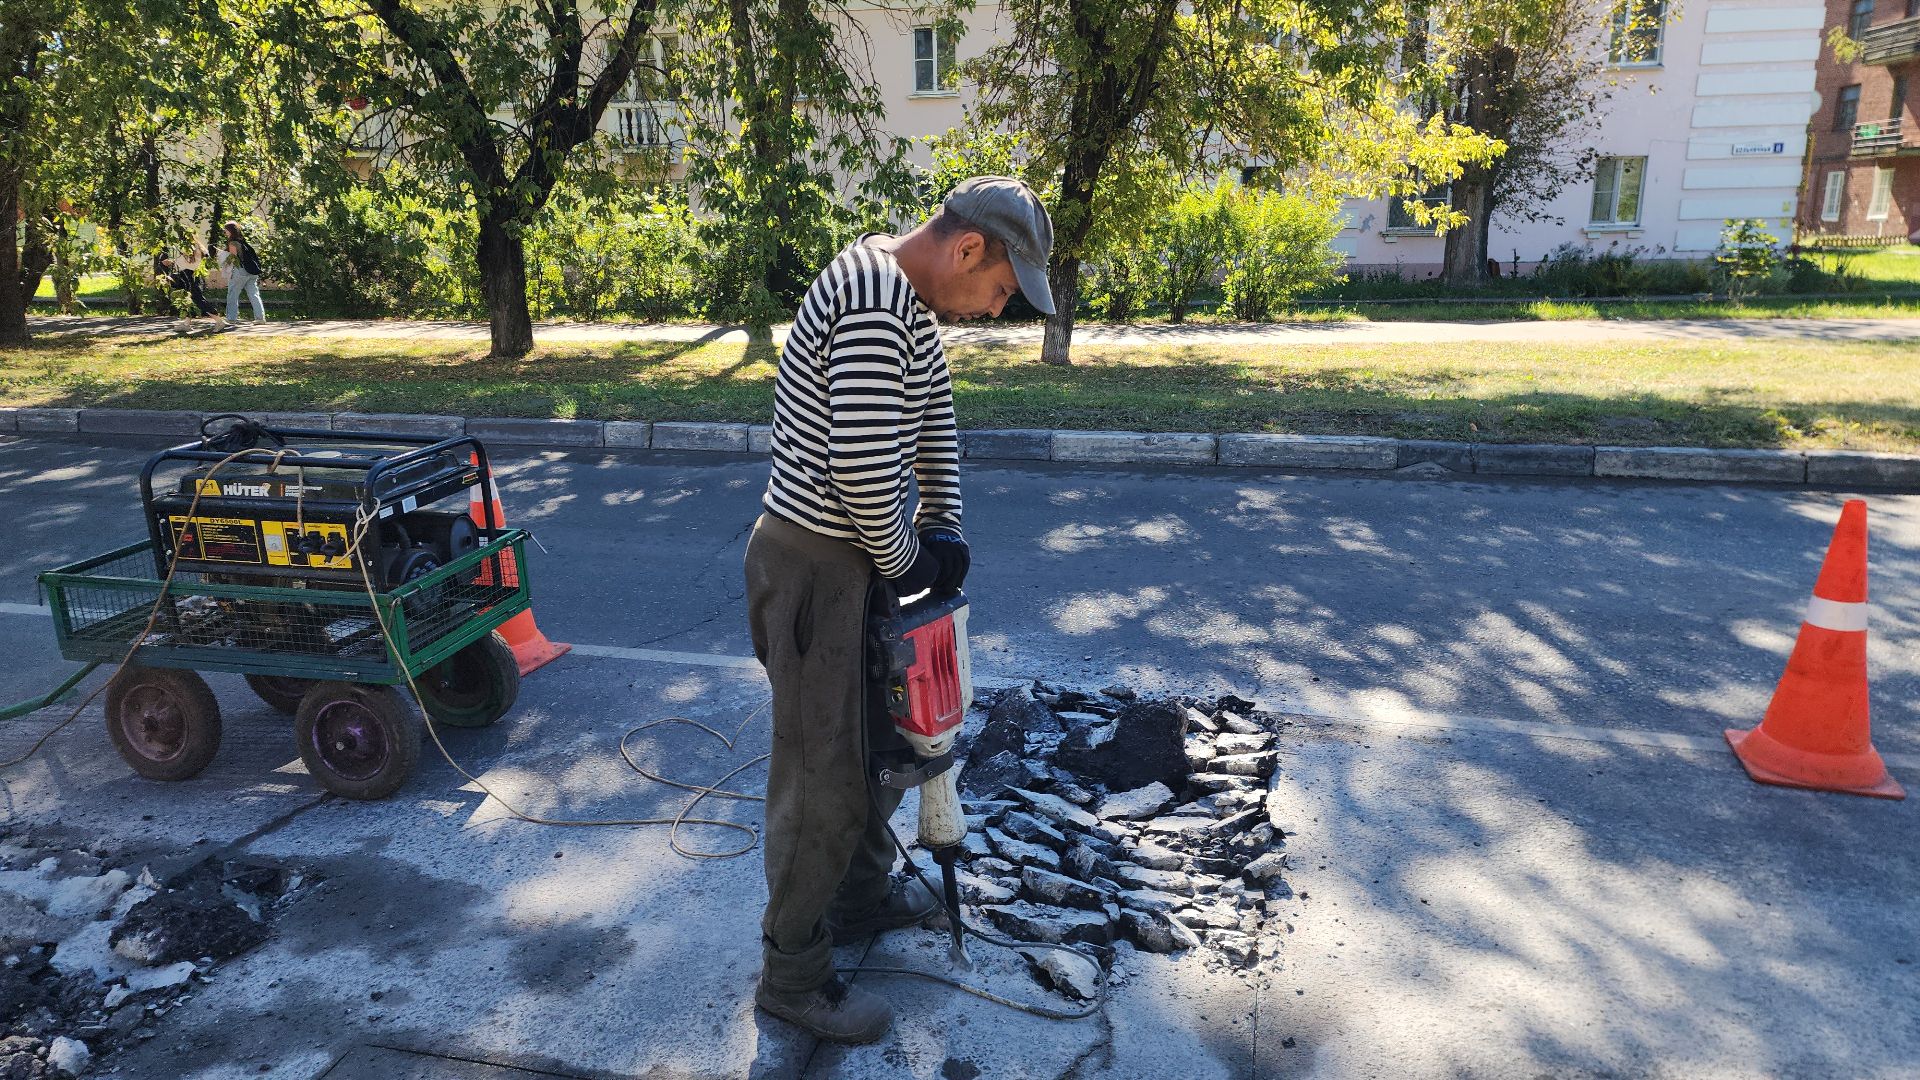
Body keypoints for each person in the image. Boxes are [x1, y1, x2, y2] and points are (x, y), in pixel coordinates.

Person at [743, 176, 1055, 1045]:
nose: (996, 312)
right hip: (815, 568)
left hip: (855, 562)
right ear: (967, 249)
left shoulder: (908, 300)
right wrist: (911, 556)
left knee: (882, 753)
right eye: (1000, 290)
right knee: (821, 781)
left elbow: (930, 428)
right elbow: (864, 474)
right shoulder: (879, 302)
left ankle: (861, 898)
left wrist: (945, 525)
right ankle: (793, 977)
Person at [152, 247, 219, 317]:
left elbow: (184, 268)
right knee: (189, 302)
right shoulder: (189, 261)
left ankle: (216, 316)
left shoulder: (189, 260)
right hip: (188, 282)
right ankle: (187, 322)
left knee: (198, 300)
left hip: (190, 283)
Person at [221, 221, 265, 324]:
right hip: (252, 271)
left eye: (226, 230)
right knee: (254, 294)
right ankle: (260, 318)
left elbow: (233, 258)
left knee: (232, 294)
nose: (225, 232)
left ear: (230, 231)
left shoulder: (232, 243)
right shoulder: (242, 241)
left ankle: (231, 318)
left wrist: (223, 261)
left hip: (240, 271)